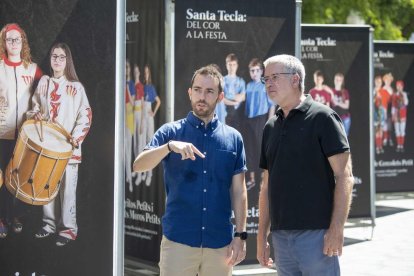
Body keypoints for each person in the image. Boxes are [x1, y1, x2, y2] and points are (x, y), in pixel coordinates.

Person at [133, 65, 248, 276]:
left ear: (220, 97)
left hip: (219, 243)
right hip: (179, 241)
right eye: (197, 90)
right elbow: (139, 164)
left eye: (209, 91)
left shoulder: (233, 138)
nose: (202, 97)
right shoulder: (170, 132)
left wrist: (240, 236)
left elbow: (240, 192)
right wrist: (169, 147)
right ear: (190, 92)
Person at [256, 55, 354, 276]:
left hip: (317, 236)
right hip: (281, 238)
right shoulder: (271, 126)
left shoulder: (324, 118)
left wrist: (337, 228)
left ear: (295, 79)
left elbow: (344, 176)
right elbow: (266, 186)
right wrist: (262, 236)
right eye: (266, 79)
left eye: (274, 77)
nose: (268, 83)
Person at [27, 42, 92, 246]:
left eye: (61, 56)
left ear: (67, 60)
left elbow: (86, 115)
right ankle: (48, 224)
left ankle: (68, 229)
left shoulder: (76, 87)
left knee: (67, 190)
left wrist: (76, 137)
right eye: (54, 56)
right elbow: (34, 107)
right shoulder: (43, 83)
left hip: (68, 148)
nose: (57, 60)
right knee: (46, 186)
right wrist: (35, 113)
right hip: (46, 147)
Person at [0, 23, 43, 238]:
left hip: (26, 135)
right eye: (9, 40)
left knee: (22, 177)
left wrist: (38, 110)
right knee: (3, 177)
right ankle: (2, 218)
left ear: (23, 41)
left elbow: (44, 95)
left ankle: (16, 216)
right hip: (3, 133)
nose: (14, 43)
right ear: (4, 43)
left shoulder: (33, 69)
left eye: (17, 39)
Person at [244, 58, 274, 190]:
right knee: (250, 149)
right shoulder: (248, 86)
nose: (255, 73)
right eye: (252, 71)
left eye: (257, 70)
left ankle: (263, 178)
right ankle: (251, 179)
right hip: (249, 120)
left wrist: (270, 122)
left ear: (261, 71)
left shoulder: (266, 84)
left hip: (262, 119)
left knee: (261, 149)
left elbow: (272, 104)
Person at [141, 64, 161, 186]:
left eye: (147, 72)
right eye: (144, 72)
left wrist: (153, 112)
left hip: (149, 115)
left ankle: (150, 173)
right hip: (142, 114)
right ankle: (143, 171)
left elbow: (158, 101)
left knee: (150, 144)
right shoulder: (141, 87)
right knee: (143, 144)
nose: (145, 74)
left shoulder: (151, 87)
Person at [215, 53, 246, 127]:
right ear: (226, 65)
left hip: (237, 113)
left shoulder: (241, 81)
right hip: (225, 112)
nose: (232, 67)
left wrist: (227, 96)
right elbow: (221, 99)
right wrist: (235, 101)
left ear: (237, 66)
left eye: (234, 64)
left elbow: (242, 98)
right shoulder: (222, 80)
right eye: (230, 64)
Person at [133, 64, 145, 185]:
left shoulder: (140, 86)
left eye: (137, 71)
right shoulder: (132, 85)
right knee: (135, 144)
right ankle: (136, 170)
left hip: (139, 114)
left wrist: (142, 122)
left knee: (140, 145)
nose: (136, 73)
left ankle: (141, 174)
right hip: (133, 115)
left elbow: (141, 104)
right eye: (134, 71)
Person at [125, 59, 135, 192]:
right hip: (122, 117)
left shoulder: (131, 84)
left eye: (127, 68)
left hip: (129, 116)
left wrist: (126, 87)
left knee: (129, 150)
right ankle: (127, 176)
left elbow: (132, 103)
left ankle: (130, 179)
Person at [391, 80, 409, 152]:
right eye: (397, 86)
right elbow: (393, 106)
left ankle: (402, 145)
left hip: (402, 115)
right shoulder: (394, 95)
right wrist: (393, 115)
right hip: (396, 114)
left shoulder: (404, 94)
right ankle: (398, 145)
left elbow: (406, 103)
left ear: (402, 86)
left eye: (400, 86)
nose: (399, 87)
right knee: (397, 130)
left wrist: (403, 95)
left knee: (402, 130)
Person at [373, 76, 385, 154]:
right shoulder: (373, 91)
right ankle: (377, 147)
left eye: (379, 82)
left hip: (382, 112)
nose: (378, 83)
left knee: (381, 131)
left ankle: (380, 146)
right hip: (375, 112)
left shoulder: (384, 91)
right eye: (377, 81)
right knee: (377, 131)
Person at [381, 73, 394, 147]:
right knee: (384, 124)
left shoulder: (392, 90)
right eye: (386, 80)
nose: (388, 81)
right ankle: (385, 139)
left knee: (390, 125)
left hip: (390, 109)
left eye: (389, 80)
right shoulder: (382, 89)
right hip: (383, 109)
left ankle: (390, 138)